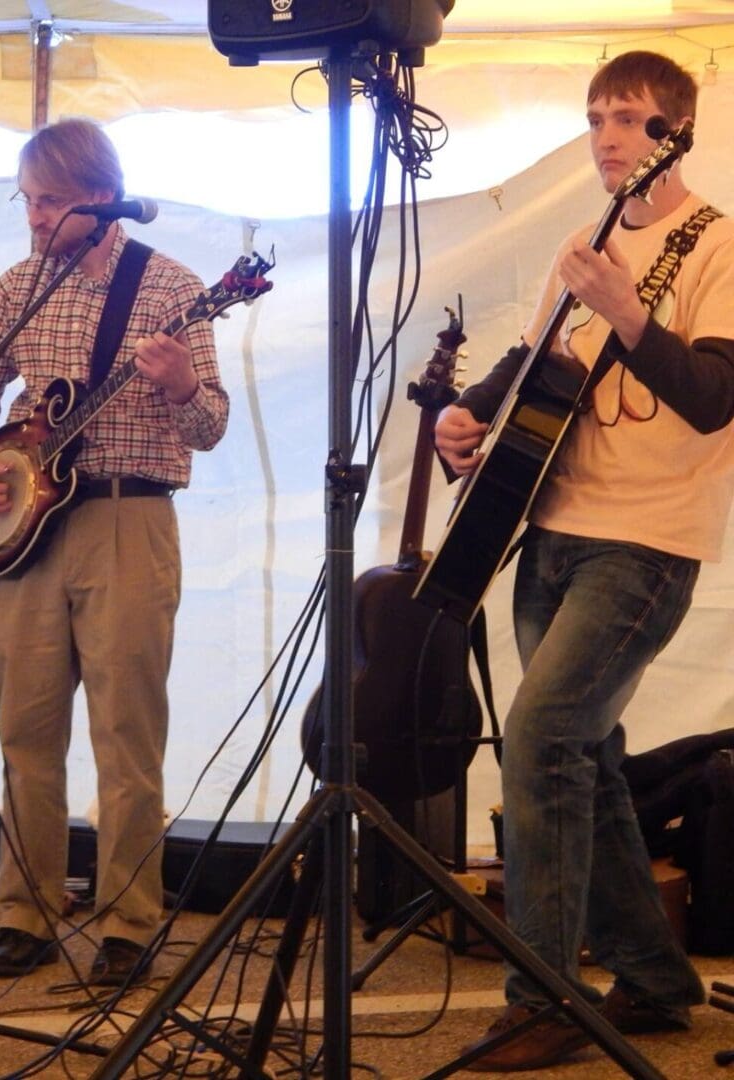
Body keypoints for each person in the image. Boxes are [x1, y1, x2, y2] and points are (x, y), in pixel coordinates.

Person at [435, 51, 734, 1070]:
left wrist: (625, 309)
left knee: (542, 738)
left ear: (675, 131)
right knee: (585, 759)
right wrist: (465, 415)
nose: (608, 136)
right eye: (598, 115)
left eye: (631, 119)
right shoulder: (587, 239)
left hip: (648, 541)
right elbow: (539, 363)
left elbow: (711, 396)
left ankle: (543, 997)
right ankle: (653, 979)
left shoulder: (719, 246)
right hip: (551, 529)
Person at [0, 118, 229, 986]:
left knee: (124, 733)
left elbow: (209, 424)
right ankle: (26, 912)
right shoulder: (15, 288)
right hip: (29, 526)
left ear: (103, 203)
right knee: (26, 730)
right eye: (28, 201)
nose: (34, 219)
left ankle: (128, 923)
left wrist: (182, 383)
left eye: (54, 204)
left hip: (127, 522)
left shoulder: (171, 288)